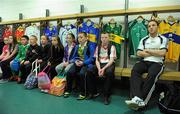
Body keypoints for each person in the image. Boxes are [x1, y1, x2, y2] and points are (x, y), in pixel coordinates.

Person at [125, 20, 168, 110]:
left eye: (153, 25)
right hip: (145, 62)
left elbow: (162, 53)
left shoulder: (163, 39)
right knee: (135, 70)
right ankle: (137, 97)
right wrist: (155, 52)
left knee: (152, 75)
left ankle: (143, 101)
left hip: (157, 63)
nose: (151, 27)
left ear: (157, 27)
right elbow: (138, 53)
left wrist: (148, 50)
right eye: (149, 26)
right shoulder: (144, 39)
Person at [86, 32, 117, 105]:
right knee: (89, 71)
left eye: (106, 37)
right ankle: (92, 92)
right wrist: (99, 68)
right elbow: (96, 60)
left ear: (108, 38)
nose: (104, 39)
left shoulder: (112, 46)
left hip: (109, 64)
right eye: (102, 37)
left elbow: (111, 60)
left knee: (109, 73)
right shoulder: (98, 47)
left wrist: (103, 69)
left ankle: (106, 95)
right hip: (100, 64)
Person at [64, 32, 95, 100]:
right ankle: (68, 90)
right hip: (78, 63)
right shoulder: (77, 46)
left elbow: (92, 58)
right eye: (78, 37)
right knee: (69, 72)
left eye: (81, 37)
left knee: (82, 74)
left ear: (86, 38)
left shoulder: (90, 46)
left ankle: (83, 93)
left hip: (86, 64)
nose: (79, 39)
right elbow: (74, 56)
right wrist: (75, 61)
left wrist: (83, 63)